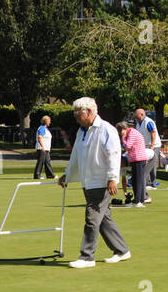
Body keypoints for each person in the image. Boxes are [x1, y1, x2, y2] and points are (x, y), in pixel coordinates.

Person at [59, 97, 130, 269]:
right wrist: (67, 175)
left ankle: (87, 256)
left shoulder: (106, 129)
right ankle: (121, 250)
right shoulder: (81, 131)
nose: (75, 117)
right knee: (104, 219)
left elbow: (113, 153)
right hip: (87, 181)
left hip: (101, 181)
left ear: (89, 112)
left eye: (78, 113)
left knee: (92, 218)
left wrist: (112, 178)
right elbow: (76, 156)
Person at [117, 120, 151, 206]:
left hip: (138, 159)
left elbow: (127, 146)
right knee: (135, 180)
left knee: (138, 181)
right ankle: (138, 200)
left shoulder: (132, 133)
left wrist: (123, 138)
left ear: (124, 129)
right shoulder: (131, 132)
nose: (121, 134)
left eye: (120, 132)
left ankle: (138, 201)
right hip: (136, 159)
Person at [134, 108, 161, 190]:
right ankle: (147, 182)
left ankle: (153, 183)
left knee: (152, 164)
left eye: (137, 115)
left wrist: (152, 146)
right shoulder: (138, 123)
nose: (135, 116)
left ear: (142, 114)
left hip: (153, 145)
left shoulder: (148, 122)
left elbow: (153, 132)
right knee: (145, 163)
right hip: (145, 146)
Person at [33, 115, 55, 180]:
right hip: (42, 148)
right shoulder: (42, 128)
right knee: (40, 162)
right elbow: (40, 138)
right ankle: (37, 175)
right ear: (46, 121)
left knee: (47, 162)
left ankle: (50, 175)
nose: (50, 122)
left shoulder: (46, 129)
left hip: (46, 149)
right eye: (49, 121)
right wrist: (42, 147)